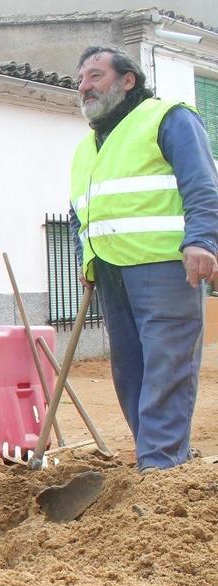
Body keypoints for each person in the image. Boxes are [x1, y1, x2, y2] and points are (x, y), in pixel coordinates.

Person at [69, 46, 218, 473]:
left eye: (95, 75)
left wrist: (203, 241)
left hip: (165, 267)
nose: (84, 86)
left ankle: (159, 468)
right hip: (111, 271)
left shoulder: (168, 117)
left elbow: (202, 183)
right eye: (81, 79)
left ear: (127, 80)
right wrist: (86, 260)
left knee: (166, 368)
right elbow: (84, 212)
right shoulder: (88, 148)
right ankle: (160, 459)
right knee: (130, 373)